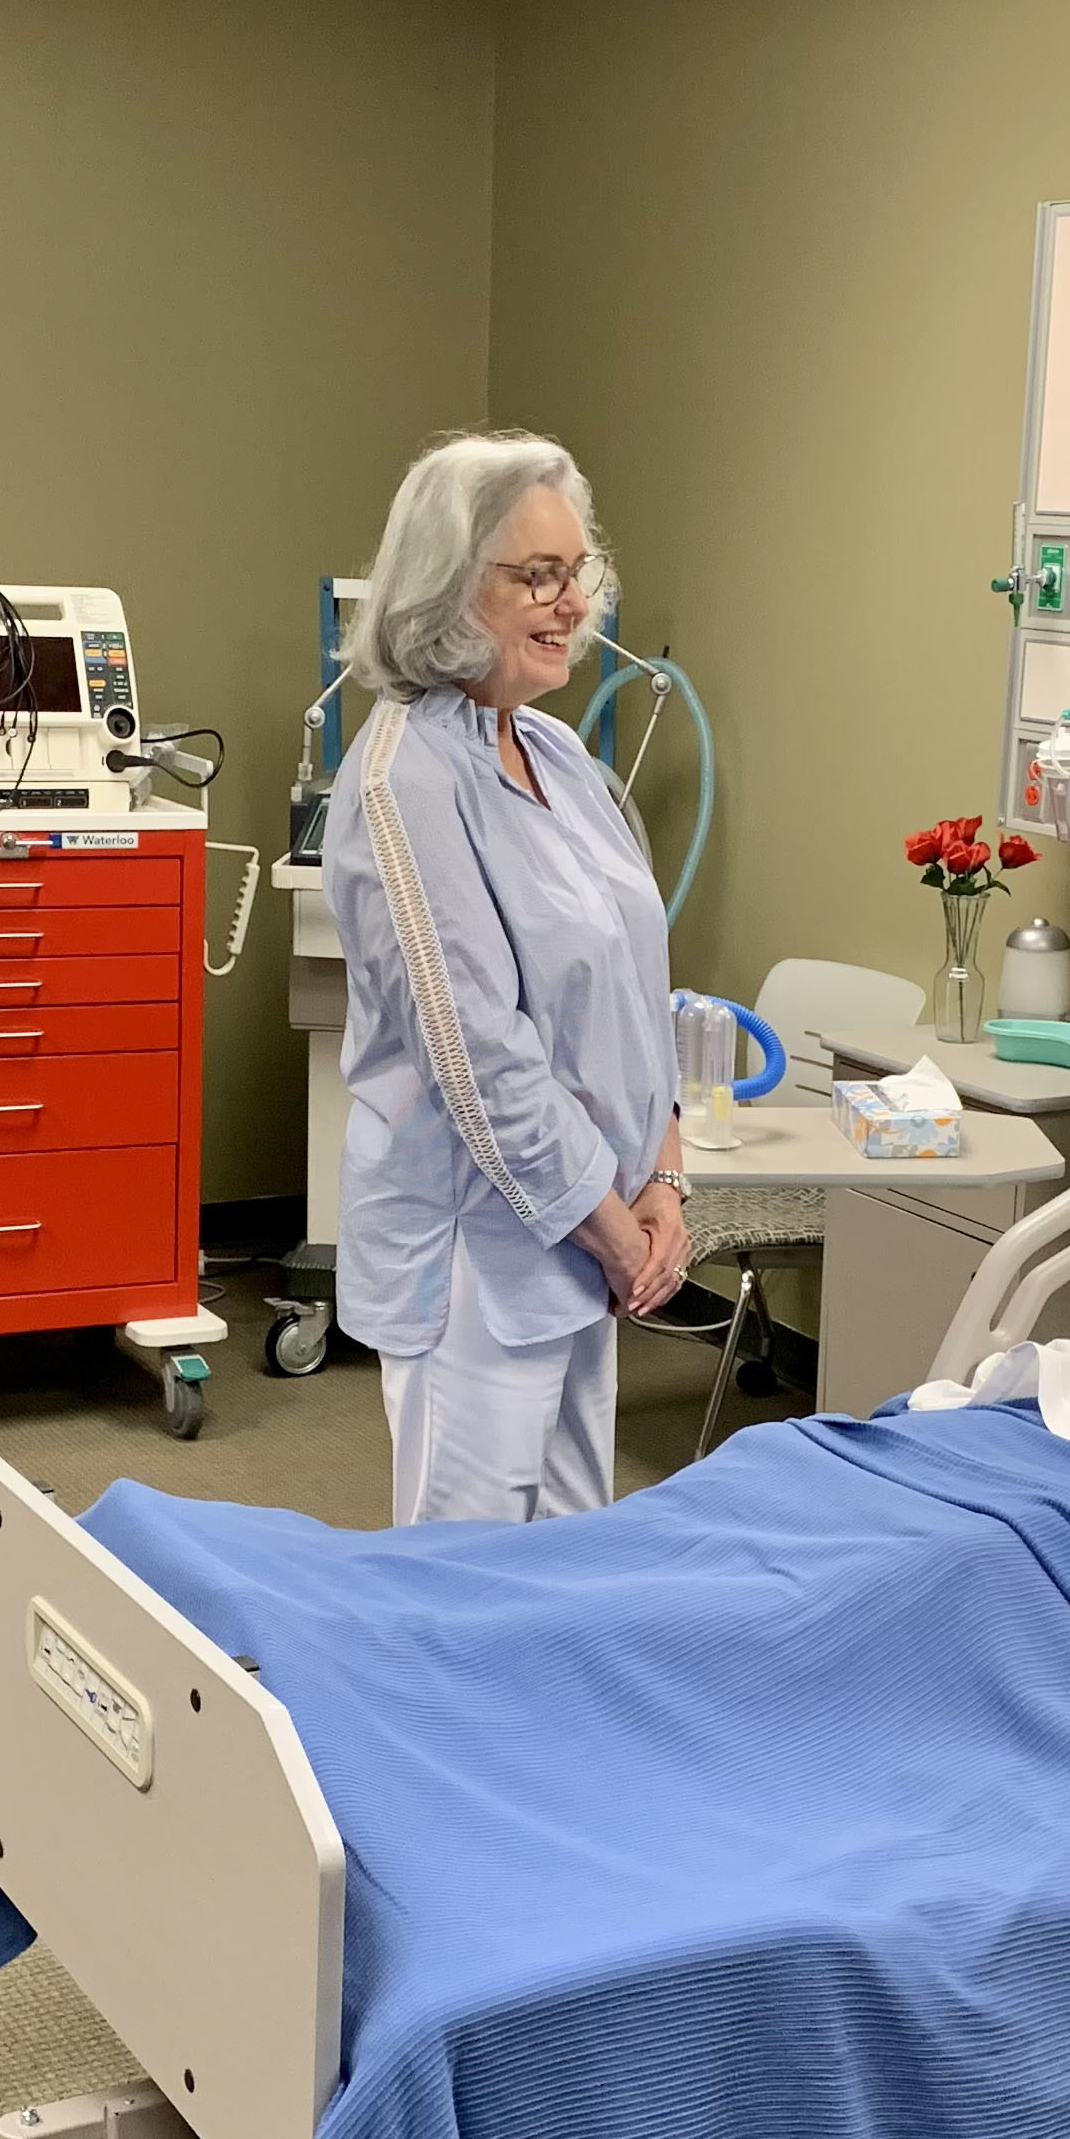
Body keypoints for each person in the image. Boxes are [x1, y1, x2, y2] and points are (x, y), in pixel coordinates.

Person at [325, 432, 686, 1525]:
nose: (568, 600)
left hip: (593, 1236)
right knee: (462, 1587)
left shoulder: (558, 755)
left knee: (573, 1561)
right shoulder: (403, 781)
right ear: (444, 585)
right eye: (534, 573)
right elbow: (476, 1052)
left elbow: (638, 986)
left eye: (575, 572)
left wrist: (663, 1179)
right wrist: (619, 1234)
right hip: (483, 1253)